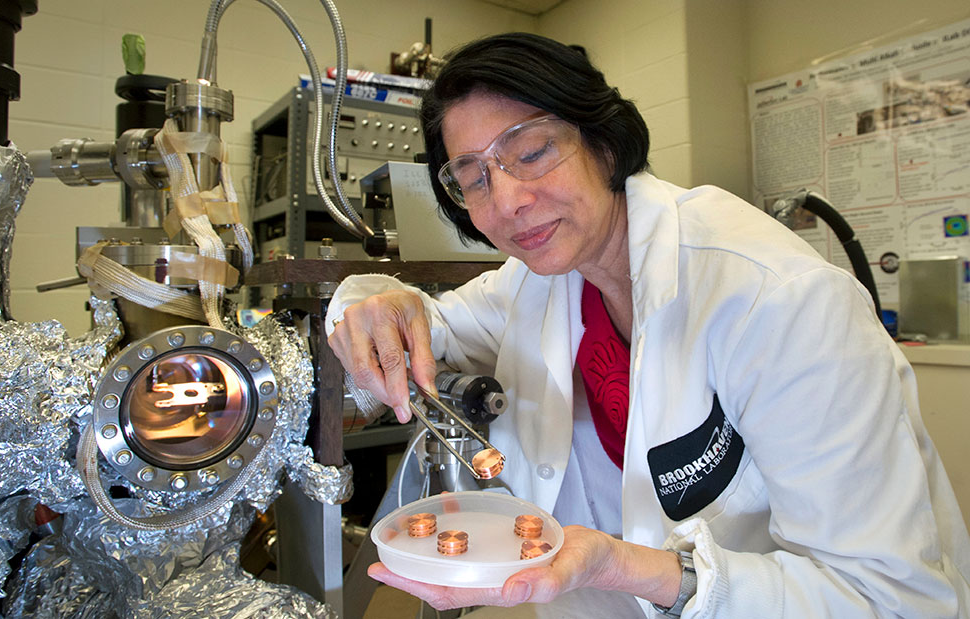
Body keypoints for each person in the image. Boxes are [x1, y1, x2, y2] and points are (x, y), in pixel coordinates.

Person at [326, 32, 970, 617]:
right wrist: (374, 303)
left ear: (602, 142)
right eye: (473, 177)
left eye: (531, 151)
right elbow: (412, 317)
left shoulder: (778, 302)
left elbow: (894, 600)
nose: (507, 202)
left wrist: (649, 573)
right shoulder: (536, 283)